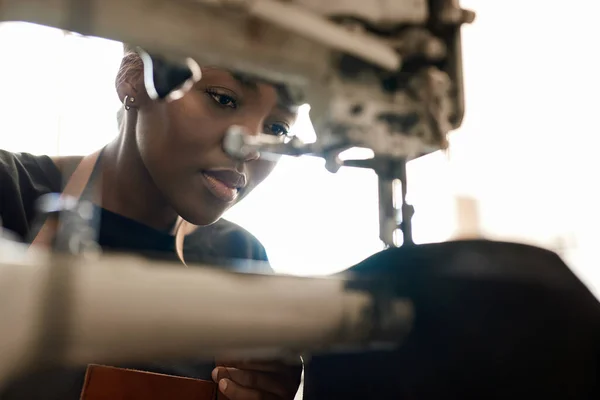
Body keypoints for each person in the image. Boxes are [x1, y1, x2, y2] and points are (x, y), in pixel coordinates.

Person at [0, 49, 302, 400]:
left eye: (277, 128)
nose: (252, 147)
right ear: (134, 79)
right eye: (224, 100)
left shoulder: (242, 256)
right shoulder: (9, 191)